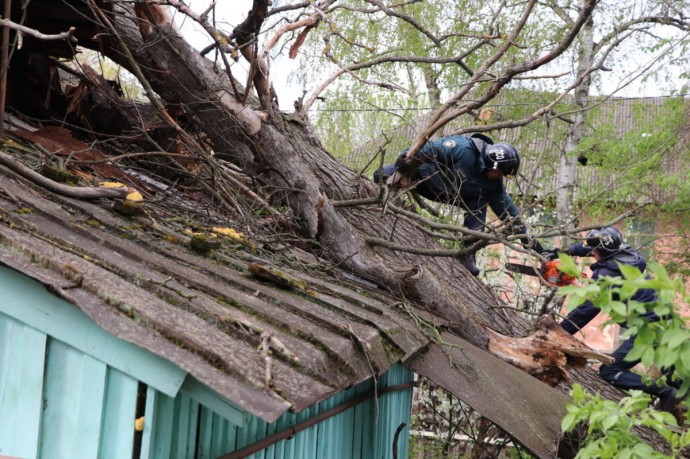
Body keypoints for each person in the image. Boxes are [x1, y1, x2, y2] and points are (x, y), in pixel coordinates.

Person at [374, 133, 542, 276]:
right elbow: (429, 148)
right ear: (492, 164)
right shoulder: (463, 149)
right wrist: (404, 163)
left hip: (449, 195)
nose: (500, 177)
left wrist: (528, 241)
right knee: (380, 175)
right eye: (499, 173)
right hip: (423, 179)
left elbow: (509, 212)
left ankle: (467, 254)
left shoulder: (493, 186)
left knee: (480, 202)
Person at [556, 227, 682, 412]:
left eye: (593, 252)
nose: (591, 254)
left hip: (646, 331)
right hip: (667, 324)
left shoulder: (609, 274)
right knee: (676, 377)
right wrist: (564, 252)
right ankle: (676, 409)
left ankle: (664, 392)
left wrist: (560, 332)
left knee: (609, 371)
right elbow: (591, 246)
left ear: (600, 251)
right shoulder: (627, 253)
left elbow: (587, 309)